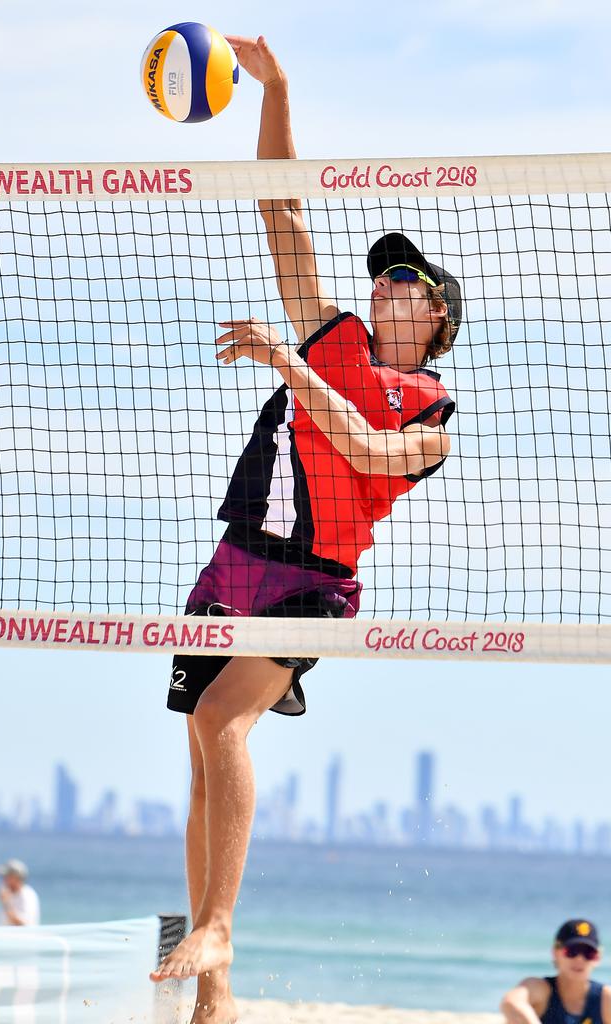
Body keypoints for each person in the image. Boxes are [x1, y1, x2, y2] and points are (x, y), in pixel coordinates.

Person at [150, 35, 462, 1024]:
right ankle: (215, 994)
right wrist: (277, 91)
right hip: (234, 559)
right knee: (202, 763)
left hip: (310, 582)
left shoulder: (432, 408)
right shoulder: (331, 333)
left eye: (405, 282)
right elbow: (281, 207)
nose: (384, 285)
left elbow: (371, 453)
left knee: (221, 722)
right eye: (382, 276)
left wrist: (291, 366)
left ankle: (220, 929)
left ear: (439, 318)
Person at [501, 919, 611, 1023]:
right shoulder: (541, 989)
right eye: (572, 951)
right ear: (555, 953)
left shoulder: (604, 998)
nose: (579, 959)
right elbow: (511, 1003)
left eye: (588, 953)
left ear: (598, 957)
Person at [0, 858, 40, 927]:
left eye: (6, 877)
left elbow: (23, 924)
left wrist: (6, 904)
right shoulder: (10, 894)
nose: (3, 880)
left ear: (16, 877)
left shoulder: (27, 895)